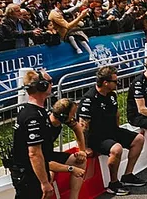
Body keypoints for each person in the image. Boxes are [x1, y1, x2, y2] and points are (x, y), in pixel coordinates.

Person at [9, 70, 88, 199]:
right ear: (42, 86)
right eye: (49, 82)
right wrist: (45, 182)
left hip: (32, 172)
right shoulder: (33, 116)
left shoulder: (39, 113)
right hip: (27, 174)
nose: (52, 84)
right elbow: (34, 154)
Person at [78, 66, 147, 195]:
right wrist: (85, 147)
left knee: (139, 139)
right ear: (105, 83)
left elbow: (116, 114)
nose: (118, 83)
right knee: (117, 149)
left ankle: (128, 175)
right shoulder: (89, 99)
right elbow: (82, 126)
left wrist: (118, 129)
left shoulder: (112, 95)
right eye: (115, 81)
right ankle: (113, 183)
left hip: (112, 130)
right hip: (96, 137)